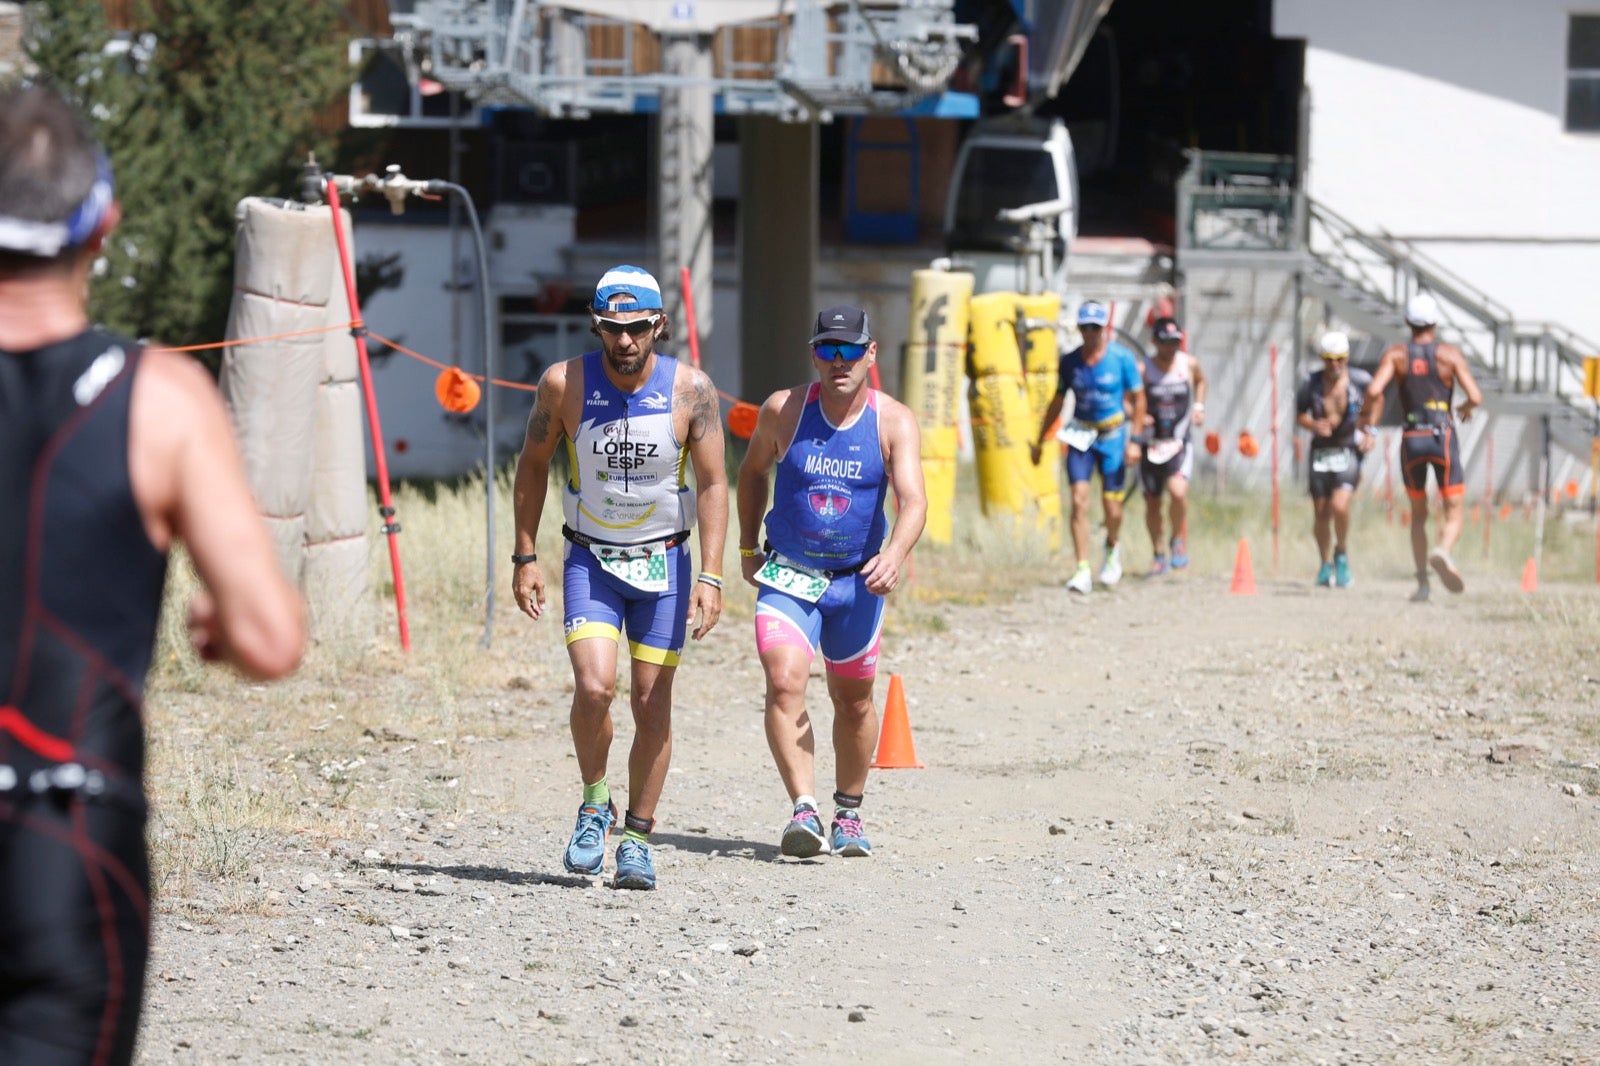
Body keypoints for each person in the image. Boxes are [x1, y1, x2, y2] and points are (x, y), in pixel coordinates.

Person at [0, 84, 305, 1065]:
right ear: (105, 224)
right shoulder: (161, 397)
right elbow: (269, 638)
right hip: (66, 841)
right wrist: (217, 620)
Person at [511, 264, 728, 890]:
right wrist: (525, 555)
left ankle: (636, 836)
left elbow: (715, 483)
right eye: (612, 329)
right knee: (595, 689)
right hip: (591, 559)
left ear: (659, 324)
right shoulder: (563, 384)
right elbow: (532, 467)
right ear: (596, 325)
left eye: (637, 329)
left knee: (650, 699)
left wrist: (711, 576)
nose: (625, 342)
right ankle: (592, 803)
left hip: (665, 564)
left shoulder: (692, 391)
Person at [736, 306, 926, 859]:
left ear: (871, 354)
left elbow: (914, 500)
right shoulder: (783, 409)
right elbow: (750, 474)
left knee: (855, 702)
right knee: (783, 680)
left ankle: (847, 810)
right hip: (790, 574)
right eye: (828, 349)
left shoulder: (893, 421)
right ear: (814, 353)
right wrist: (747, 547)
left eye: (850, 350)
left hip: (856, 582)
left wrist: (894, 554)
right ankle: (804, 809)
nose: (838, 362)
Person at [1359, 294, 1483, 602]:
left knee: (1418, 514)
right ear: (1435, 323)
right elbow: (1476, 397)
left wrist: (1368, 422)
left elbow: (1375, 390)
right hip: (1442, 438)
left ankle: (1423, 584)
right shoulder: (1449, 356)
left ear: (1407, 322)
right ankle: (1442, 550)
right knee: (1453, 508)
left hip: (1412, 439)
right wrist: (1465, 407)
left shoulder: (1396, 355)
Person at [1030, 300, 1145, 593]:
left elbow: (1139, 400)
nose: (1090, 333)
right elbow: (1057, 401)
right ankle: (1082, 568)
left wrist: (1136, 441)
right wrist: (1040, 438)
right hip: (1081, 434)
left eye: (1095, 327)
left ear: (1104, 329)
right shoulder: (1069, 362)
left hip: (1113, 436)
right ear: (1079, 329)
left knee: (1112, 506)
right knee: (1079, 501)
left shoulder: (1122, 358)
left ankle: (1111, 549)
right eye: (1085, 327)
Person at [1295, 331, 1376, 588]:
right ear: (1322, 358)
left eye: (1340, 359)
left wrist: (1369, 430)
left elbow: (1378, 401)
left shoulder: (1361, 381)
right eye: (1329, 359)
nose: (1335, 365)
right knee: (1321, 513)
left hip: (1348, 451)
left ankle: (1341, 552)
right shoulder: (1311, 382)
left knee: (1340, 506)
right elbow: (1299, 415)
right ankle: (1324, 563)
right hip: (1320, 454)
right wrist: (1313, 425)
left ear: (1347, 357)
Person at [1137, 316, 1206, 576]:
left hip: (1178, 442)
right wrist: (1138, 415)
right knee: (1152, 502)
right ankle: (1158, 554)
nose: (1170, 348)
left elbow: (1201, 381)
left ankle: (1177, 540)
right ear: (1155, 342)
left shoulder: (1188, 364)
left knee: (1177, 492)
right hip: (1150, 443)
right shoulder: (1143, 369)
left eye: (1175, 342)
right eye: (1165, 343)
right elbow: (1129, 398)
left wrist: (1198, 407)